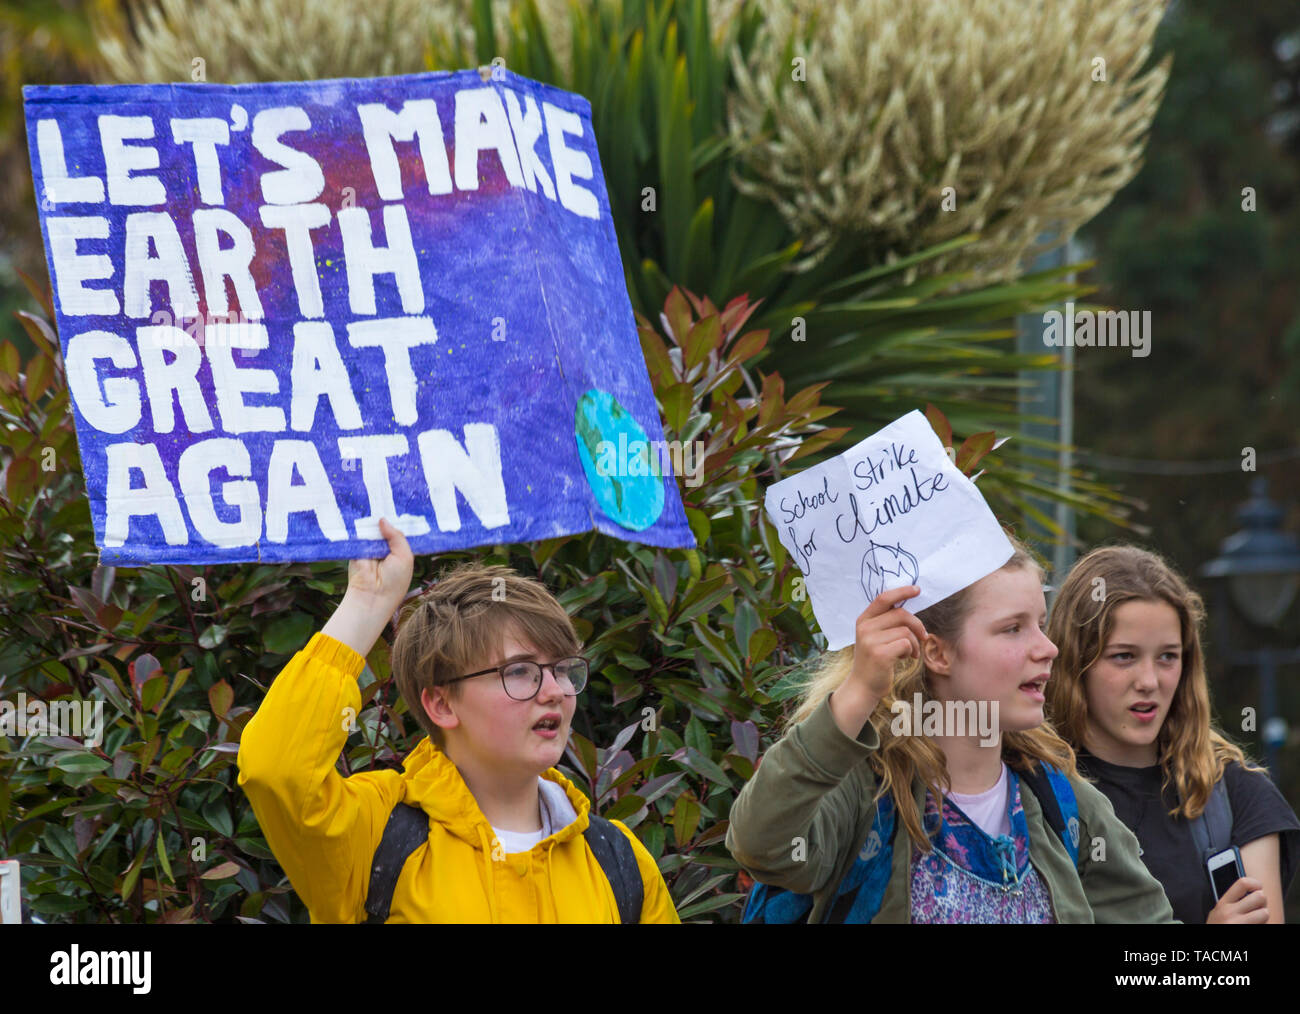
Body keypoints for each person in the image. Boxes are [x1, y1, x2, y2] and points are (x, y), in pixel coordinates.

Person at [237, 518, 679, 923]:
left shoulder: (619, 859)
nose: (554, 691)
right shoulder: (374, 832)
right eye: (520, 671)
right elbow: (277, 769)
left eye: (562, 669)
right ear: (442, 705)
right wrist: (367, 603)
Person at [727, 538, 1175, 922]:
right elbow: (760, 843)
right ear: (937, 653)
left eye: (1040, 623)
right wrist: (858, 691)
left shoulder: (1062, 801)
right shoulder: (864, 794)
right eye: (1014, 628)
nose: (1048, 647)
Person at [1045, 544, 1300, 924]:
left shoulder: (1233, 792)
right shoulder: (1033, 788)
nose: (1149, 681)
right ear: (1075, 660)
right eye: (1124, 656)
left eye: (1168, 656)